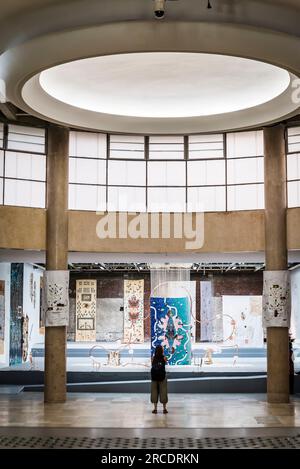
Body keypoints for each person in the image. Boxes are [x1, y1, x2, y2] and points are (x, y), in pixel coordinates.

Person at [151, 345, 168, 414]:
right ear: (162, 350)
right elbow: (165, 363)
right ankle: (164, 409)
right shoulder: (164, 358)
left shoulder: (152, 358)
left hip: (154, 377)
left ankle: (155, 409)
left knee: (154, 392)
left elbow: (152, 364)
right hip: (162, 377)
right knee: (163, 392)